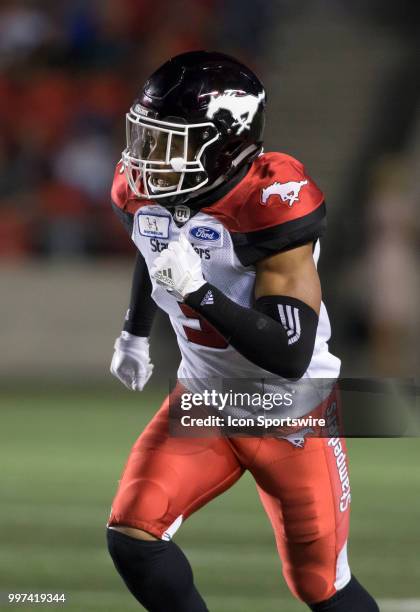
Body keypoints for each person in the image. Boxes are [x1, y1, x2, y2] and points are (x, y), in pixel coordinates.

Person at [106, 51, 379, 612]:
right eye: (149, 136)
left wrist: (197, 293)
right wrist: (134, 331)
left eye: (173, 141)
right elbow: (152, 242)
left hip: (290, 410)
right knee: (133, 535)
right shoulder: (145, 189)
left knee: (320, 586)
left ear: (225, 143)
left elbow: (290, 353)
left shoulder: (270, 201)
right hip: (205, 401)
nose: (149, 156)